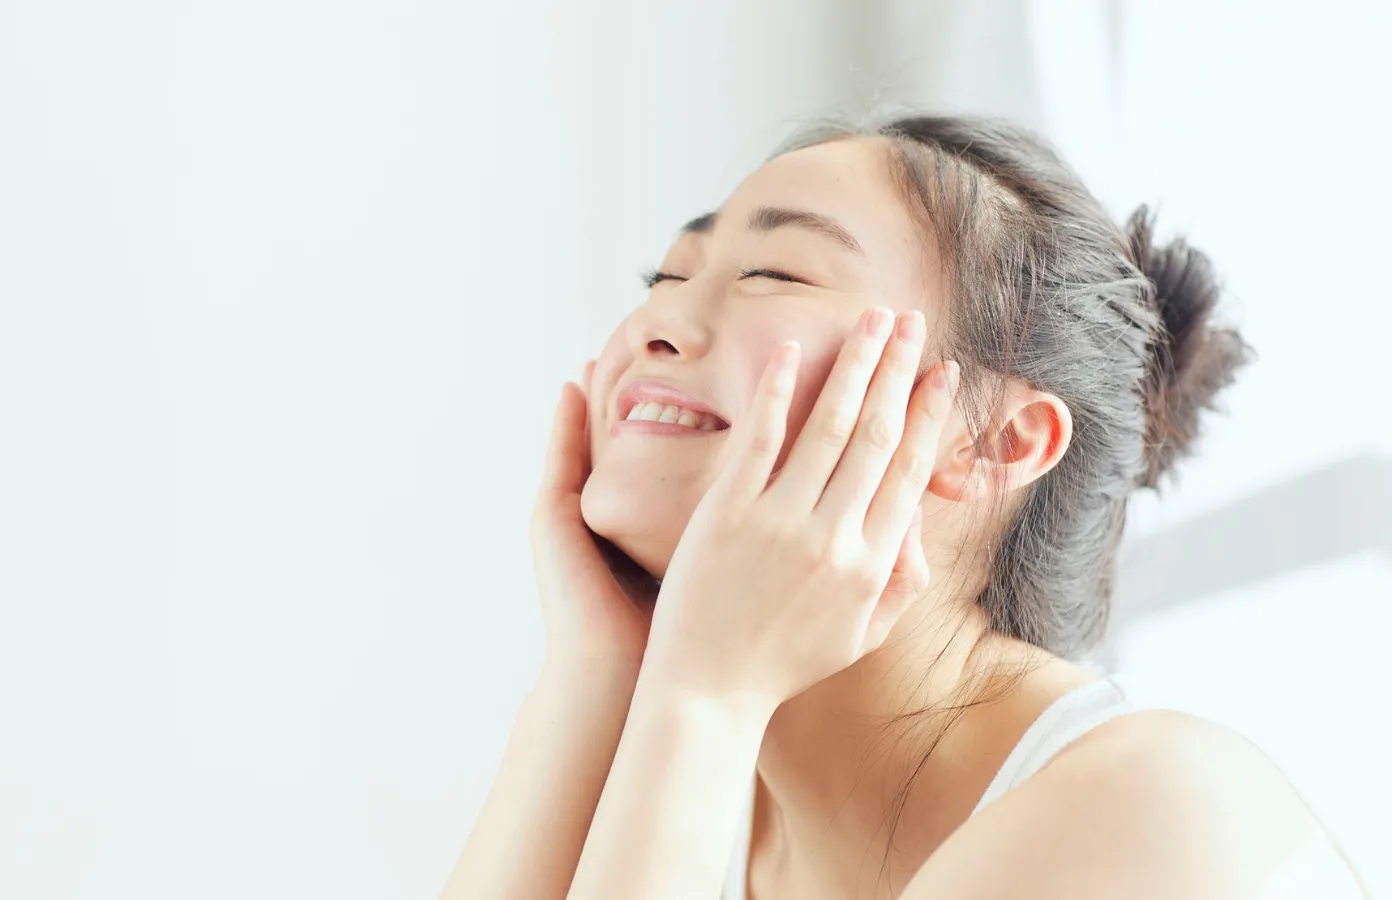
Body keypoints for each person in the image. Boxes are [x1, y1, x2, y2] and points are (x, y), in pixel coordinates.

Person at [438, 113, 1368, 899]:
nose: (655, 323)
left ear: (995, 441)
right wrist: (596, 672)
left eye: (774, 273)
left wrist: (705, 695)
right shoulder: (709, 784)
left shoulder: (1153, 807)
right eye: (667, 278)